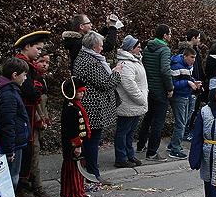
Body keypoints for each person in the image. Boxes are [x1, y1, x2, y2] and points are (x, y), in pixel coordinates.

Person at [74, 31, 121, 185]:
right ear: (94, 46)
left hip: (93, 106)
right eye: (101, 45)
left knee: (91, 141)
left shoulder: (88, 58)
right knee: (91, 141)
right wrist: (117, 73)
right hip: (92, 108)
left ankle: (91, 171)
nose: (102, 48)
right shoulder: (90, 62)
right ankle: (93, 174)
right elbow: (105, 83)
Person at [14, 30, 51, 197]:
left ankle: (32, 185)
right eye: (37, 48)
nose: (39, 52)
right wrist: (36, 93)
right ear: (27, 46)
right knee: (27, 151)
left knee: (33, 151)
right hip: (25, 115)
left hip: (31, 114)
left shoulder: (30, 65)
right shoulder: (20, 64)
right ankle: (23, 187)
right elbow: (30, 90)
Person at [138, 24, 173, 162]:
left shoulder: (147, 48)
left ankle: (141, 145)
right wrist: (169, 88)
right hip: (160, 89)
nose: (170, 36)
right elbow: (165, 71)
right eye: (169, 34)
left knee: (148, 118)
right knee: (158, 122)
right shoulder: (164, 50)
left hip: (148, 87)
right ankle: (152, 152)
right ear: (164, 35)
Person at [0, 57, 31, 191]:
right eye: (24, 75)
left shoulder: (11, 90)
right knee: (11, 179)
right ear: (14, 75)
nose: (25, 78)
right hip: (13, 145)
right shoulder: (9, 94)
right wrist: (10, 150)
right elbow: (7, 123)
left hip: (15, 142)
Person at [114, 35, 147, 168]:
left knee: (130, 132)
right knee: (123, 132)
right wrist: (141, 98)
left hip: (135, 104)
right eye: (138, 47)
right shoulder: (126, 64)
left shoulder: (135, 61)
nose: (140, 49)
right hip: (129, 104)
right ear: (131, 49)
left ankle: (129, 155)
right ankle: (121, 158)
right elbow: (129, 84)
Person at [59, 77, 92, 197]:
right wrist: (77, 145)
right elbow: (72, 130)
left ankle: (68, 194)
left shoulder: (73, 105)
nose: (82, 94)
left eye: (83, 92)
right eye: (80, 92)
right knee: (74, 170)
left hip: (75, 143)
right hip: (73, 144)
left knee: (72, 168)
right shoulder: (71, 109)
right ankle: (75, 194)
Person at [169, 48, 201, 160]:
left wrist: (193, 81)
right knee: (181, 123)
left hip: (187, 95)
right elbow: (173, 83)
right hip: (179, 97)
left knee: (185, 121)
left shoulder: (188, 66)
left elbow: (188, 77)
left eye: (194, 58)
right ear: (185, 56)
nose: (193, 60)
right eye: (191, 57)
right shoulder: (176, 65)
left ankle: (172, 144)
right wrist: (188, 82)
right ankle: (175, 149)